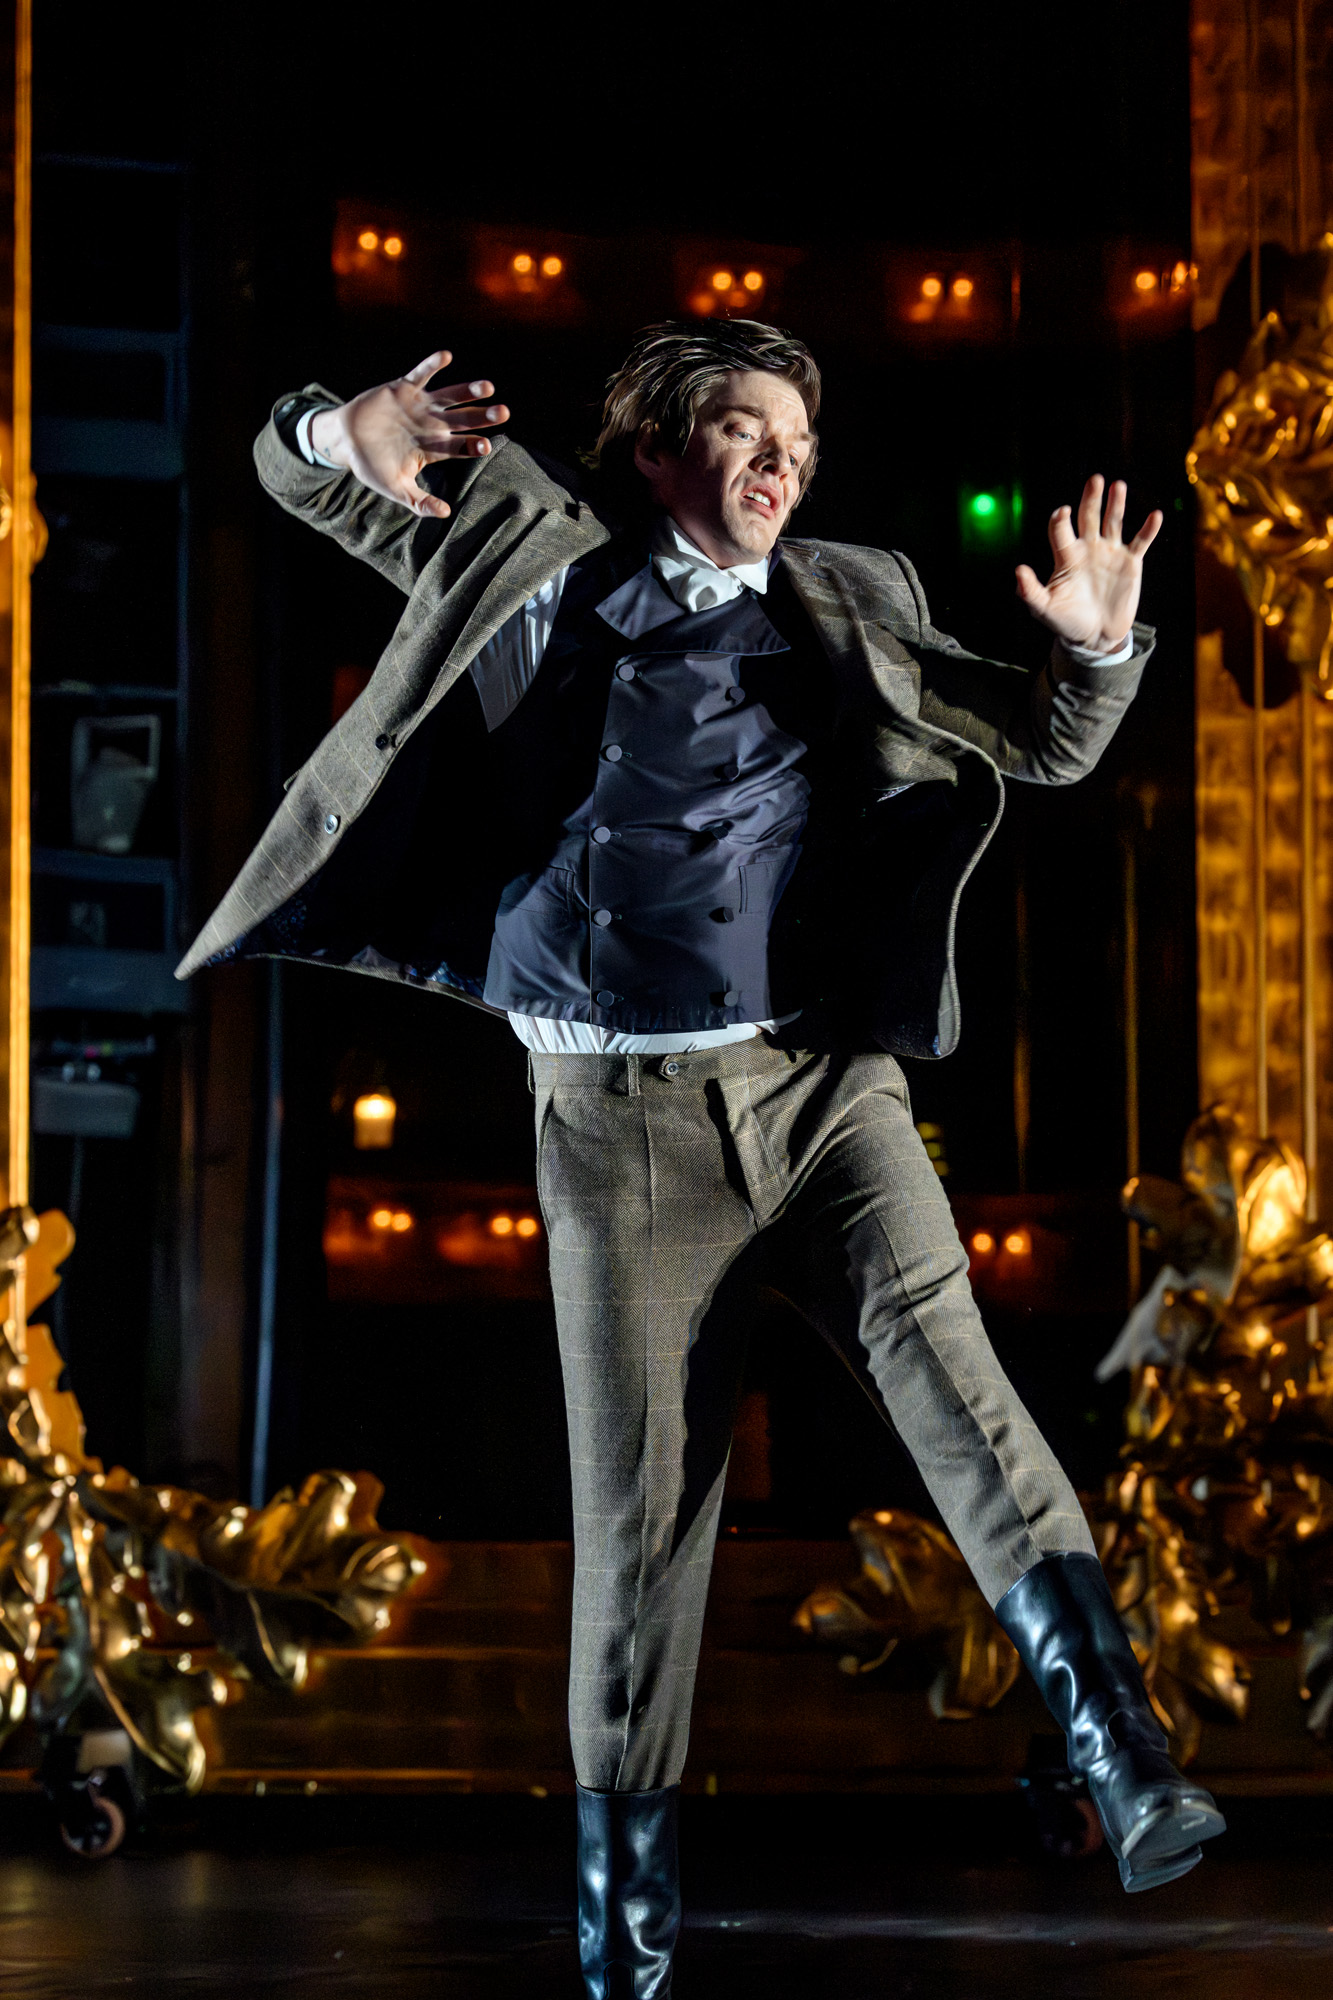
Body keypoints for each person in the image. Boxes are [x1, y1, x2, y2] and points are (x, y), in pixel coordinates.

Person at [179, 319, 1224, 1997]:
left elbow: (1039, 740)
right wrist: (335, 425)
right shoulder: (527, 551)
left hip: (819, 1093)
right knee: (643, 1526)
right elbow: (300, 475)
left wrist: (1097, 648)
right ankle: (627, 1942)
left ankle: (1122, 1753)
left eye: (797, 441)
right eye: (743, 429)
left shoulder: (850, 592)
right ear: (660, 445)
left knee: (959, 1392)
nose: (778, 463)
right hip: (616, 1128)